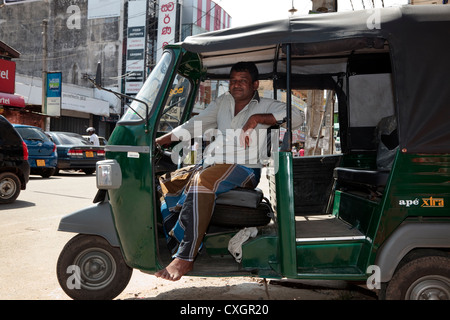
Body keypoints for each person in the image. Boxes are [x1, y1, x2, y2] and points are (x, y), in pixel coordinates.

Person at [155, 62, 303, 281]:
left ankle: (186, 257)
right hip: (214, 164)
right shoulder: (222, 102)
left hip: (245, 168)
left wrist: (257, 119)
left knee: (202, 182)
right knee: (164, 183)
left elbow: (298, 117)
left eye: (242, 81)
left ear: (255, 84)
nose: (236, 85)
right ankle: (176, 243)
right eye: (233, 81)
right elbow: (195, 124)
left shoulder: (268, 105)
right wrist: (158, 141)